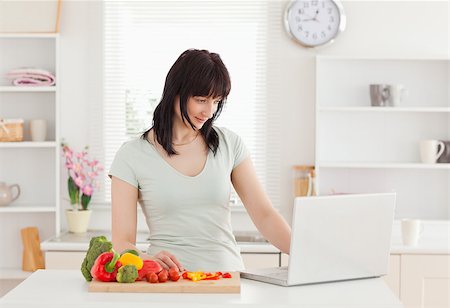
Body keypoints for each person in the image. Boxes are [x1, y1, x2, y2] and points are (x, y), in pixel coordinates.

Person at [109, 49, 291, 272]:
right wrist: (147, 259)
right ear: (175, 92)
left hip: (227, 279)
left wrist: (305, 253)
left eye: (216, 101)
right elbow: (122, 243)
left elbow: (265, 215)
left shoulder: (229, 144)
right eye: (201, 100)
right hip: (169, 281)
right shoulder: (132, 155)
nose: (209, 111)